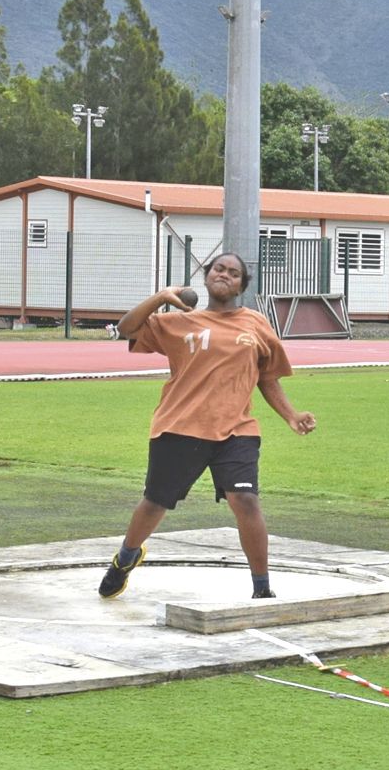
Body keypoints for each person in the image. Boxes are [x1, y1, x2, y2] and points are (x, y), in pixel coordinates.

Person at [97, 253, 316, 602]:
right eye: (219, 269)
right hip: (179, 425)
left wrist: (291, 415)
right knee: (156, 503)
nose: (224, 275)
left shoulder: (255, 324)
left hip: (236, 429)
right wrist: (161, 298)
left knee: (245, 500)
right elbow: (126, 328)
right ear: (207, 276)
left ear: (241, 286)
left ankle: (262, 588)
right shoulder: (178, 323)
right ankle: (126, 558)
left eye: (233, 273)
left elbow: (267, 377)